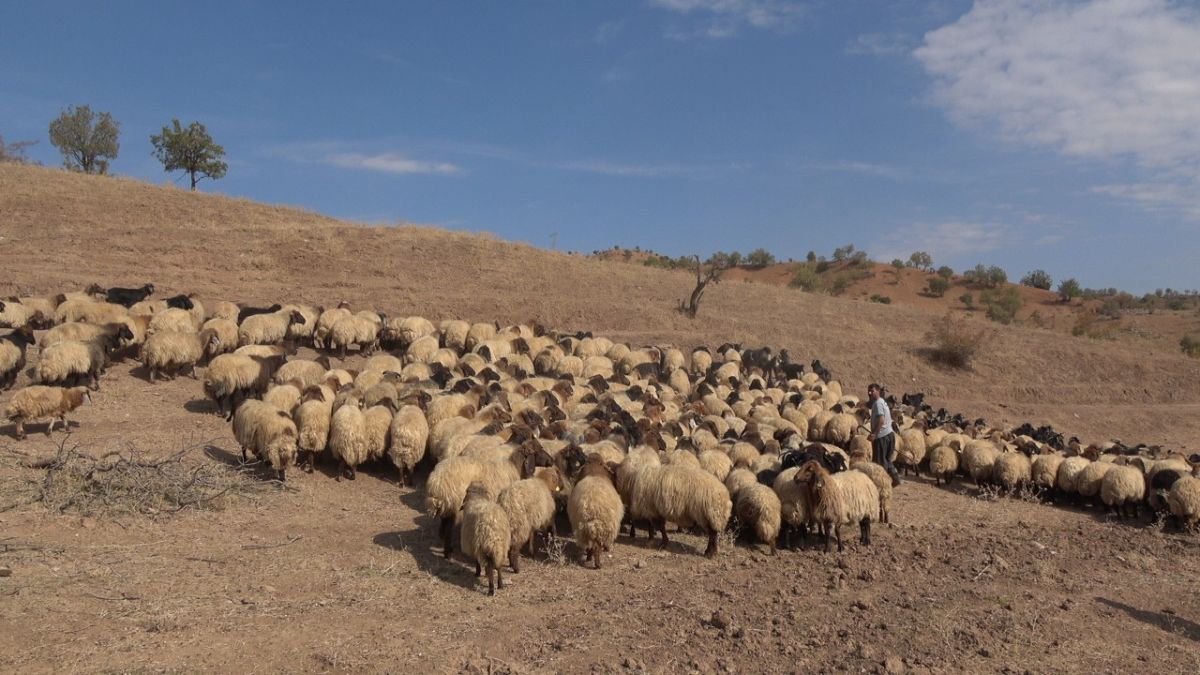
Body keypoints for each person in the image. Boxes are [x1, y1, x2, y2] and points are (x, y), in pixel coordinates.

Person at [867, 383, 901, 487]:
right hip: (889, 434)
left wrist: (874, 434)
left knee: (880, 464)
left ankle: (882, 485)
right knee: (887, 460)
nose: (869, 393)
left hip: (882, 437)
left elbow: (881, 420)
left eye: (872, 391)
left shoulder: (877, 403)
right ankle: (895, 479)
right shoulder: (883, 402)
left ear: (878, 391)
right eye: (868, 391)